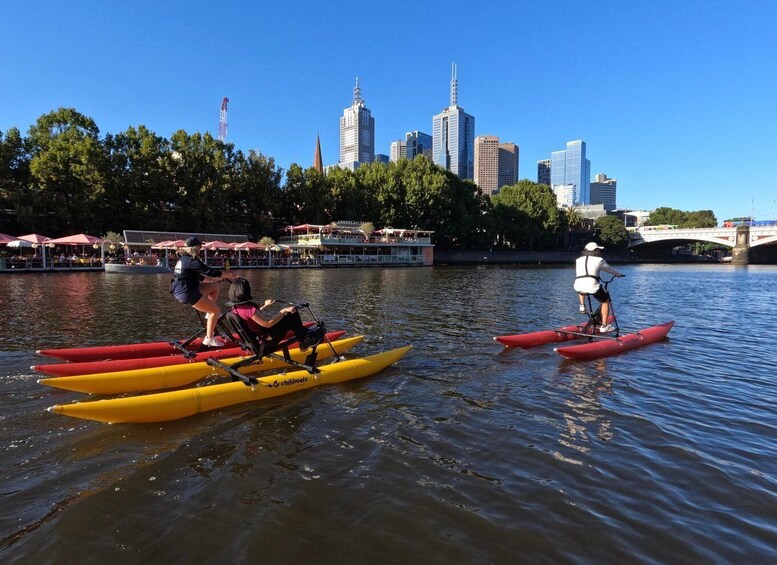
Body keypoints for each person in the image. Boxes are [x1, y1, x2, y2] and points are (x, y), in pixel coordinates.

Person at [170, 236, 236, 347]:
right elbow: (209, 271)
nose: (201, 248)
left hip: (184, 289)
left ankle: (208, 315)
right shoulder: (191, 260)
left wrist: (211, 280)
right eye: (200, 246)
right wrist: (229, 275)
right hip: (186, 292)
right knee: (216, 310)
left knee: (215, 286)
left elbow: (199, 276)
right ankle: (209, 338)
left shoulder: (184, 259)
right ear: (194, 247)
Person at [227, 277, 324, 352]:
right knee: (291, 314)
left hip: (259, 339)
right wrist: (284, 311)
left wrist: (265, 306)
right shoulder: (249, 308)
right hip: (266, 342)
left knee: (289, 314)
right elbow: (268, 323)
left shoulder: (236, 308)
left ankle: (304, 336)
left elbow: (251, 316)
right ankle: (304, 340)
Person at [574, 242, 624, 333]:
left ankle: (582, 305)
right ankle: (604, 326)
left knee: (581, 287)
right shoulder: (599, 260)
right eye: (598, 250)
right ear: (595, 251)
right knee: (605, 302)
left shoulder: (578, 260)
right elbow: (610, 270)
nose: (599, 251)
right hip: (592, 285)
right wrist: (619, 275)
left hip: (578, 285)